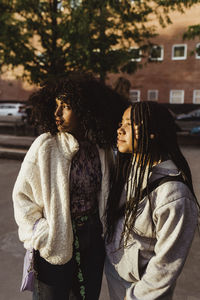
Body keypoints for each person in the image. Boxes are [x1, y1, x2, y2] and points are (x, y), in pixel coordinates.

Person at [12, 73, 127, 300]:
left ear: (85, 109)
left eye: (65, 107)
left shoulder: (101, 148)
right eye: (56, 106)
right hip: (55, 241)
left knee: (87, 296)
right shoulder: (46, 145)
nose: (57, 113)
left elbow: (112, 192)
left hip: (92, 238)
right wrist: (41, 233)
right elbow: (21, 196)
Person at [105, 101, 199, 300]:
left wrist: (135, 296)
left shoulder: (174, 193)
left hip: (145, 291)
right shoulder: (129, 169)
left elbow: (167, 263)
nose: (120, 129)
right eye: (121, 123)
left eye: (129, 124)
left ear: (153, 132)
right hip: (118, 277)